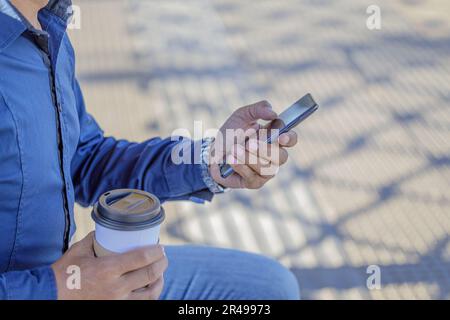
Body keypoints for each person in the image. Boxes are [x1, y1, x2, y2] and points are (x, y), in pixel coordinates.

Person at [0, 0, 300, 300]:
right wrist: (60, 287)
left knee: (268, 288)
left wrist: (209, 159)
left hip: (76, 278)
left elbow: (84, 159)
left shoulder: (47, 26)